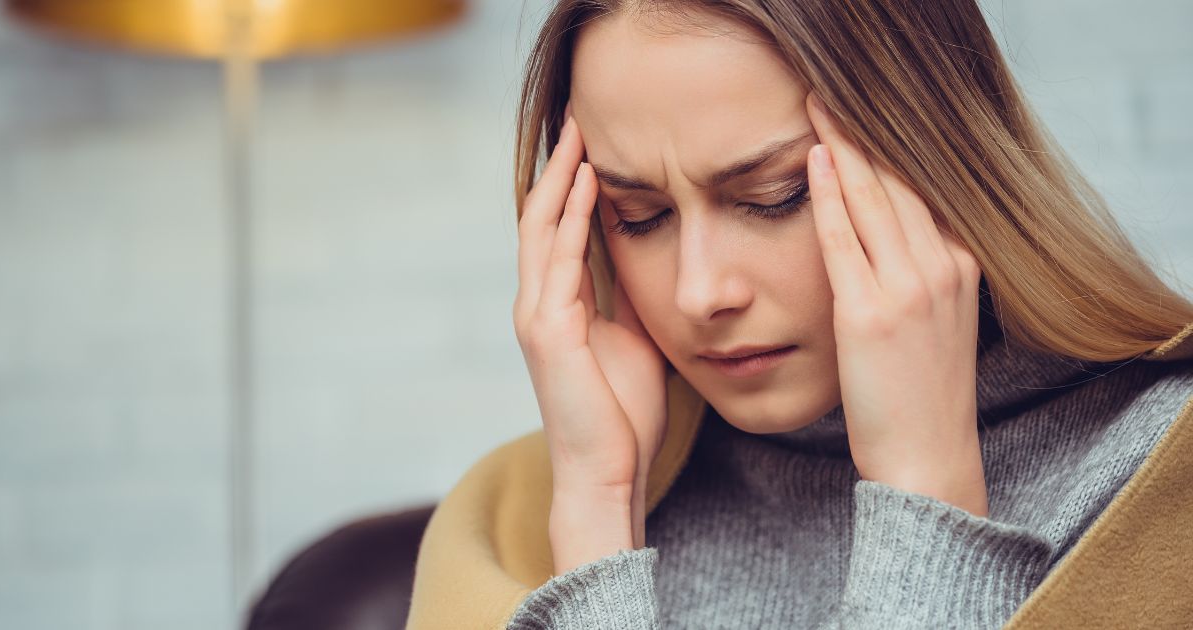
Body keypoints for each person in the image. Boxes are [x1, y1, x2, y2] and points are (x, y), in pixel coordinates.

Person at [407, 1, 1193, 628]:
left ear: (940, 163)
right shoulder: (514, 514)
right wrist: (595, 514)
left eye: (774, 197)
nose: (700, 292)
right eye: (639, 214)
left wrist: (925, 493)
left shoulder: (1159, 477)